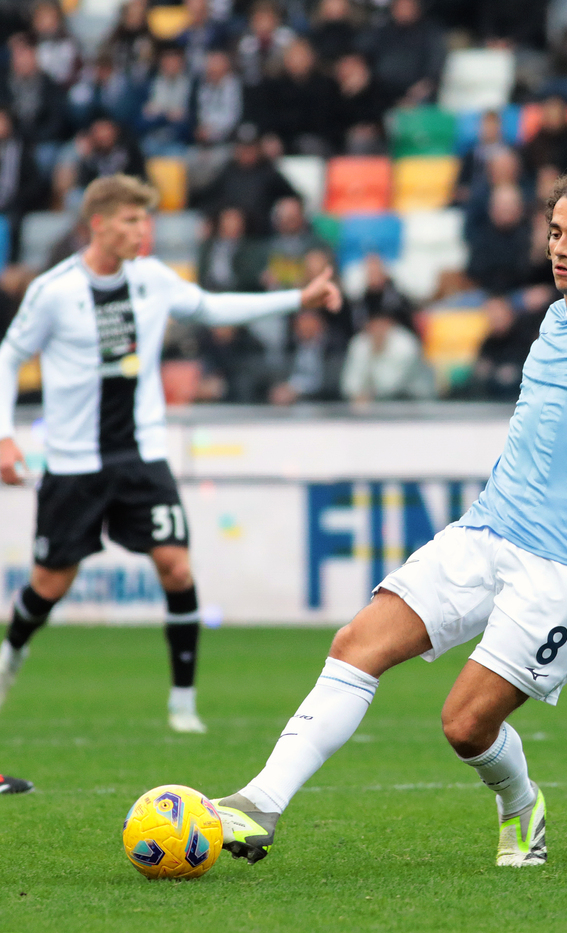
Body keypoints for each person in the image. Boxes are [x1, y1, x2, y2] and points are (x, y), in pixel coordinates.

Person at [212, 168, 567, 869]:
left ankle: (520, 801)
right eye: (556, 233)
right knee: (357, 641)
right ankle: (259, 803)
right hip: (488, 529)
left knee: (465, 724)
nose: (561, 248)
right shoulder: (553, 314)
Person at [0, 175, 342, 732]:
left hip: (142, 457)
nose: (143, 230)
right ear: (99, 225)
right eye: (132, 220)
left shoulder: (152, 280)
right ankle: (12, 653)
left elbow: (213, 307)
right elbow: (8, 357)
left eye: (145, 219)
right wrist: (5, 435)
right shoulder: (55, 290)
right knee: (49, 584)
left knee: (176, 567)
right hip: (73, 463)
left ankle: (183, 701)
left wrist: (296, 298)